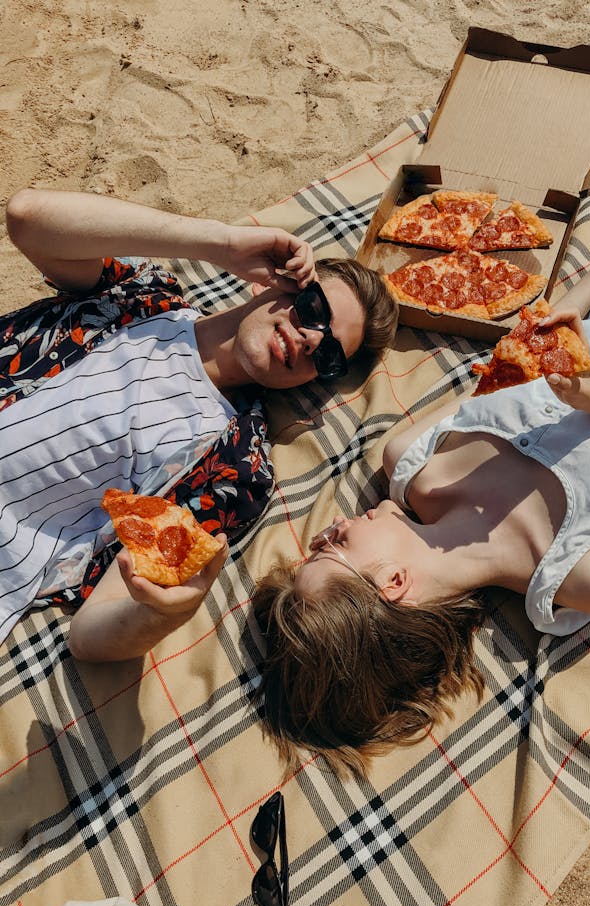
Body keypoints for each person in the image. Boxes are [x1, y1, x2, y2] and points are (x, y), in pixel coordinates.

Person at [251, 58, 590, 776]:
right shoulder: (584, 577)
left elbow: (536, 341)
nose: (327, 529)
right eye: (329, 551)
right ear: (392, 583)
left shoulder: (411, 457)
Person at [0, 188, 398, 650]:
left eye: (328, 354)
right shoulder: (143, 297)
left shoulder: (232, 465)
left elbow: (91, 635)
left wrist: (162, 613)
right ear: (271, 283)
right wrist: (220, 244)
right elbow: (27, 217)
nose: (311, 339)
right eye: (313, 309)